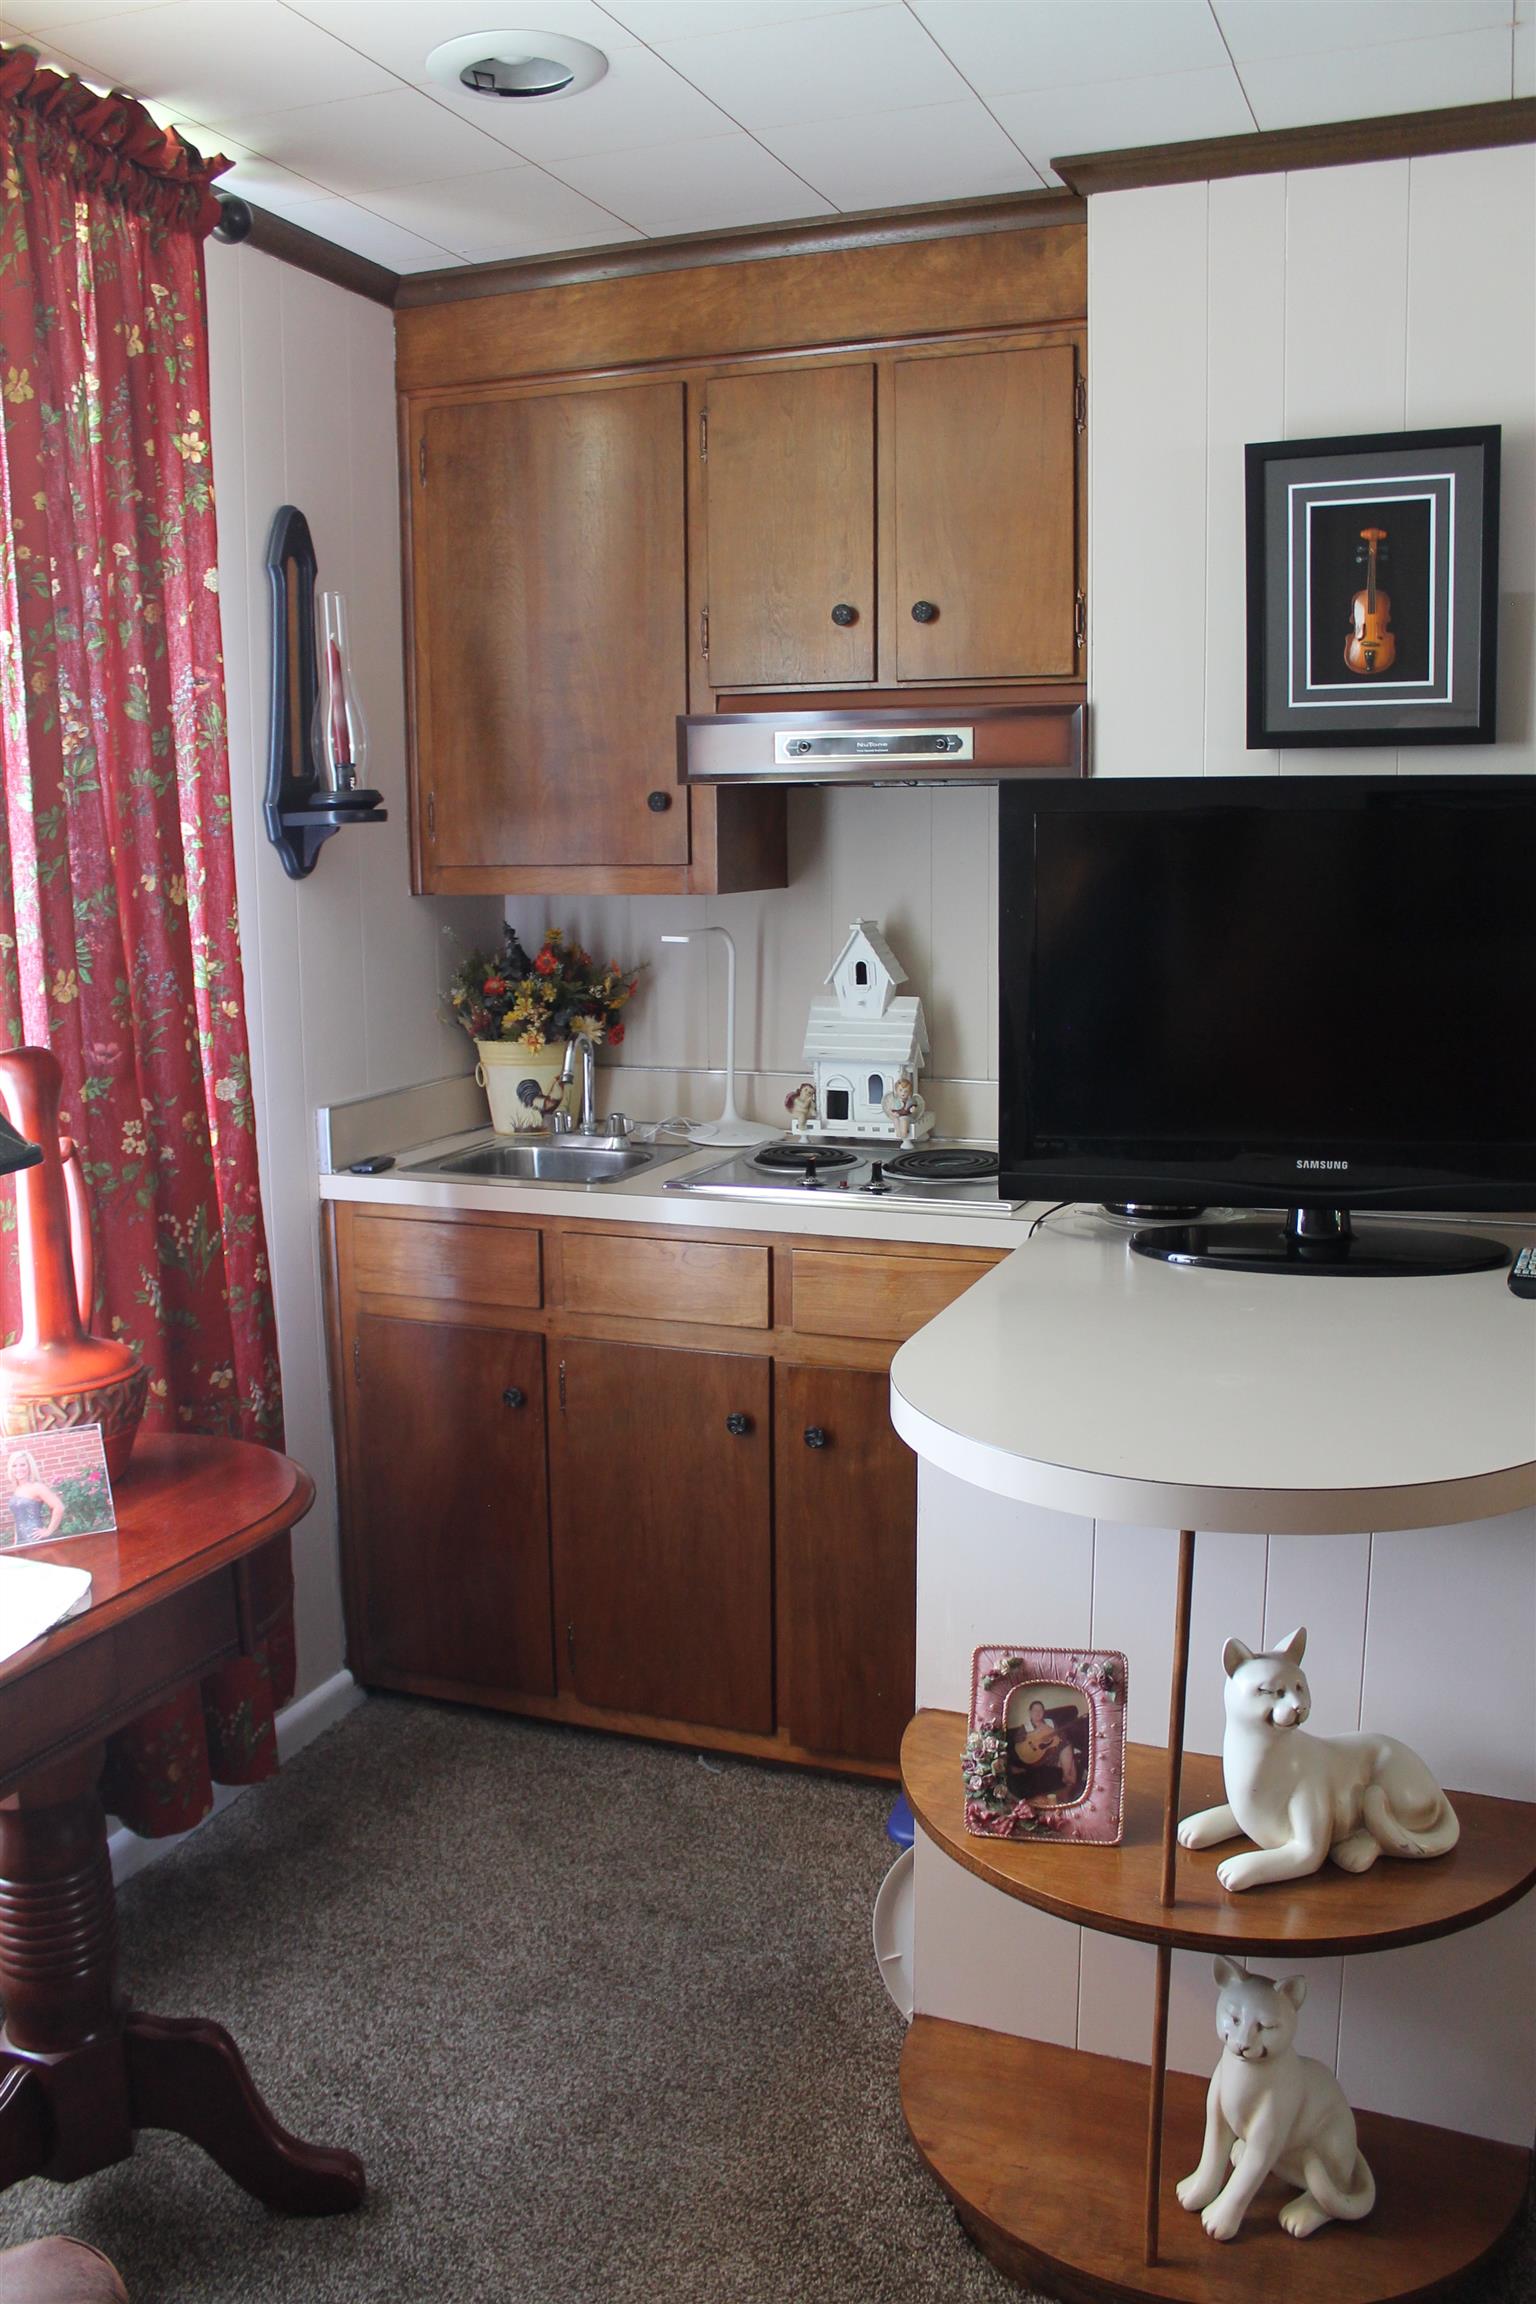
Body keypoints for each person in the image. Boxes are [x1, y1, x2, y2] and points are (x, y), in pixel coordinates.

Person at [5, 1449, 65, 1547]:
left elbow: (59, 1507)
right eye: (14, 1466)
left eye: (22, 1465)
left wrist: (49, 1531)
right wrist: (15, 1542)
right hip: (21, 1541)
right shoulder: (17, 1489)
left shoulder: (37, 1487)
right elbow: (18, 1518)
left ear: (29, 1467)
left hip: (35, 1539)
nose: (18, 1469)